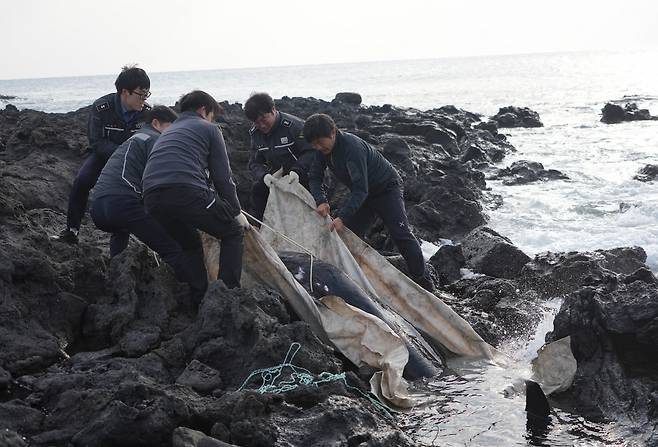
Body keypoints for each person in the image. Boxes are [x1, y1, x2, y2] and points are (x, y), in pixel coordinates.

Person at [304, 113, 434, 292]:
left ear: (333, 132)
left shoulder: (351, 148)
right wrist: (321, 200)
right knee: (349, 234)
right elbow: (314, 176)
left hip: (386, 189)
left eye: (320, 142)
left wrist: (342, 216)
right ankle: (357, 278)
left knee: (401, 235)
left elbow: (360, 190)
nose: (317, 147)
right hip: (364, 193)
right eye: (314, 144)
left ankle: (424, 283)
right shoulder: (323, 150)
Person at [142, 90, 249, 293]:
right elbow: (223, 178)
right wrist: (236, 211)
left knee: (190, 244)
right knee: (232, 232)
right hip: (185, 191)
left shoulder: (168, 133)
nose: (211, 119)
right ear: (203, 110)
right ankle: (227, 295)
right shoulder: (208, 129)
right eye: (212, 115)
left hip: (151, 198)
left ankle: (199, 297)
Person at [54, 65, 151, 244]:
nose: (144, 100)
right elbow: (96, 141)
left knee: (146, 191)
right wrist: (121, 154)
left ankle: (140, 234)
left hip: (133, 162)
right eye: (141, 94)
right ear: (125, 92)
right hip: (104, 156)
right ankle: (71, 230)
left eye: (147, 95)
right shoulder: (101, 107)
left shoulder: (147, 114)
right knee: (81, 181)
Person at [244, 92, 314, 221]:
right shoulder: (256, 133)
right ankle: (259, 230)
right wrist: (264, 176)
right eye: (256, 123)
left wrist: (297, 170)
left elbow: (312, 152)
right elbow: (254, 162)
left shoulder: (295, 126)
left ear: (273, 110)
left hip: (305, 177)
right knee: (258, 191)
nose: (262, 125)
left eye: (264, 119)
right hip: (279, 179)